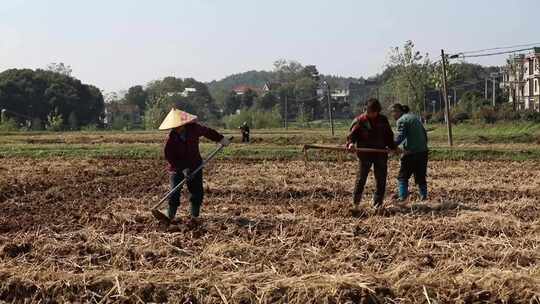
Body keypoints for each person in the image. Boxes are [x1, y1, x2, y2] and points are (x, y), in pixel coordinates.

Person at [155, 108, 230, 225]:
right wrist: (183, 169)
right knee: (175, 191)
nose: (176, 128)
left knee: (197, 191)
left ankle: (194, 217)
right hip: (177, 168)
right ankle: (169, 215)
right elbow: (170, 157)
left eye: (178, 126)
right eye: (174, 127)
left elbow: (208, 132)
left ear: (183, 124)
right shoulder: (171, 139)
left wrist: (220, 138)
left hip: (195, 164)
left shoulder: (194, 128)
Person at [347, 98, 397, 209]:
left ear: (377, 111)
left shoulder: (383, 120)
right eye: (368, 111)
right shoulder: (360, 120)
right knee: (361, 179)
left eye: (373, 112)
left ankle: (377, 204)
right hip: (364, 155)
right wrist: (350, 144)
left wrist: (393, 147)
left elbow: (389, 135)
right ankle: (355, 204)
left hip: (380, 154)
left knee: (381, 179)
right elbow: (351, 136)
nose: (370, 114)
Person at [390, 103, 429, 201]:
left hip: (411, 153)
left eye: (393, 112)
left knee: (403, 176)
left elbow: (400, 137)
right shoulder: (414, 118)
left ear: (399, 111)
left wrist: (391, 146)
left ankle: (402, 196)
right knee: (421, 176)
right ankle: (423, 196)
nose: (392, 115)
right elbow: (424, 134)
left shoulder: (402, 120)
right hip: (423, 152)